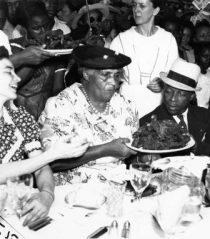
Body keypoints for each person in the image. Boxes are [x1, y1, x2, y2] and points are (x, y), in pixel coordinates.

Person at [0, 47, 89, 226]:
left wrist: (46, 195)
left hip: (11, 208)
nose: (17, 78)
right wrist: (53, 154)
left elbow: (41, 167)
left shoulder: (19, 117)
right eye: (9, 72)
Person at [39, 45, 138, 185]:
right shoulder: (61, 106)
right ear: (86, 74)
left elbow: (133, 152)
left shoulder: (126, 106)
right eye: (105, 75)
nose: (113, 82)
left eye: (116, 75)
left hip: (117, 188)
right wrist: (104, 150)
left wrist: (142, 158)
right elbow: (51, 162)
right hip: (72, 192)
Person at [140, 58, 210, 159]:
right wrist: (143, 158)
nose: (172, 99)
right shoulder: (148, 122)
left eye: (181, 94)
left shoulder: (204, 115)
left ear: (191, 97)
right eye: (168, 91)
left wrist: (195, 146)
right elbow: (135, 159)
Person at [110, 0, 179, 118]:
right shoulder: (121, 40)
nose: (136, 10)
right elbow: (110, 75)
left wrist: (164, 82)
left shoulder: (168, 39)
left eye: (142, 6)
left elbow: (175, 75)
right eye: (134, 5)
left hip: (159, 106)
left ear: (155, 10)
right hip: (127, 106)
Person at [194, 41, 210, 109]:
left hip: (206, 113)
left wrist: (207, 114)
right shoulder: (192, 73)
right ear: (197, 56)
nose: (209, 60)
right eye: (205, 56)